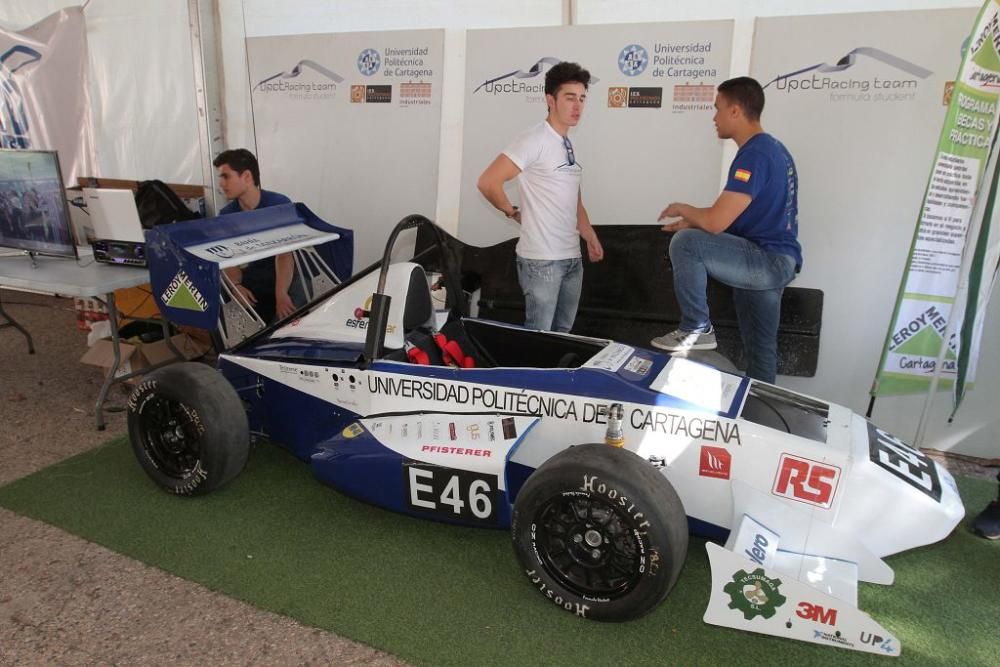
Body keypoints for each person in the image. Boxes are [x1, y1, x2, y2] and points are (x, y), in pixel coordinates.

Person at [651, 76, 801, 384]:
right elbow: (738, 215)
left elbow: (717, 221)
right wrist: (695, 220)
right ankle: (757, 421)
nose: (714, 117)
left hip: (764, 261)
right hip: (776, 262)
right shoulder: (775, 149)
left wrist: (684, 210)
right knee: (760, 352)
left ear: (735, 110)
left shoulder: (755, 153)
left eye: (717, 108)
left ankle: (696, 327)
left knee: (686, 243)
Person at [477, 61, 604, 333]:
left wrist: (589, 233)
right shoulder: (533, 139)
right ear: (550, 100)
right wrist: (511, 211)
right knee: (538, 338)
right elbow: (488, 182)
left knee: (562, 337)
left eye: (582, 99)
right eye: (570, 98)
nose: (578, 106)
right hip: (542, 261)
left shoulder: (568, 142)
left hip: (572, 259)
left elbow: (574, 196)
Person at [213, 148, 304, 324]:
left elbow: (285, 255)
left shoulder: (278, 205)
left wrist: (281, 294)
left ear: (246, 176)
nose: (221, 184)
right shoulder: (226, 215)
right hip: (252, 280)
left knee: (285, 318)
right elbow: (226, 259)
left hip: (285, 278)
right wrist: (236, 286)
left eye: (226, 177)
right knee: (223, 307)